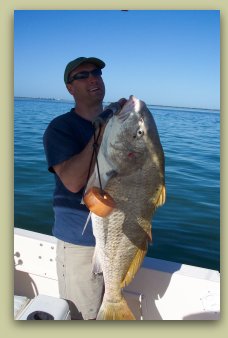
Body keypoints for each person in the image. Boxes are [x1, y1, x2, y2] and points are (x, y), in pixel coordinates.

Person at [43, 56, 126, 320]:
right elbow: (72, 181)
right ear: (70, 88)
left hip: (119, 239)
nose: (93, 78)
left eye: (97, 73)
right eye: (83, 75)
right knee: (83, 319)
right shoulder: (60, 128)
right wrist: (100, 131)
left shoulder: (118, 126)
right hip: (79, 246)